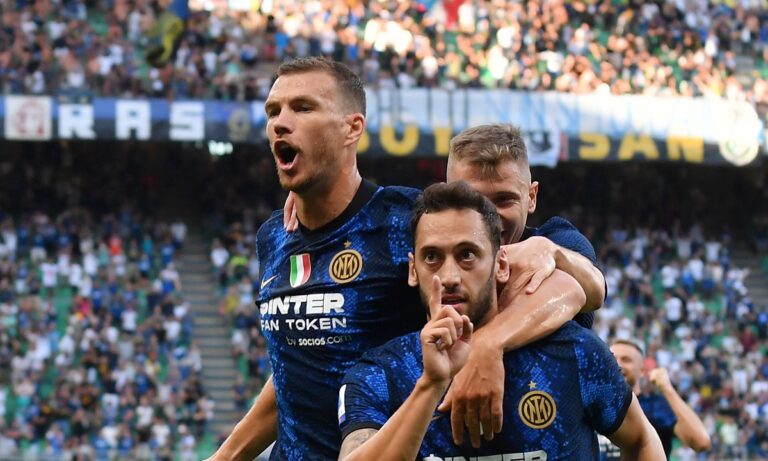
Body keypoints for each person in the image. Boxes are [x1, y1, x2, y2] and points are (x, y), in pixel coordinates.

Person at [207, 58, 602, 460]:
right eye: (273, 111)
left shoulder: (406, 222)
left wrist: (488, 342)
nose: (280, 122)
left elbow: (578, 288)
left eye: (303, 108)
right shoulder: (275, 236)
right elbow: (294, 370)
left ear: (352, 127)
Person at [338, 181, 665, 460]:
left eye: (467, 255)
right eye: (432, 257)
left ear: (501, 266)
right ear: (413, 270)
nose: (449, 276)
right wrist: (430, 386)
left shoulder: (575, 353)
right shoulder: (379, 374)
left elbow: (641, 440)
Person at [601, 340, 711, 459]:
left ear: (642, 371)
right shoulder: (594, 407)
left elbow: (701, 442)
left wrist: (667, 388)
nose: (618, 364)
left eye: (626, 360)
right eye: (612, 359)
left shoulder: (657, 406)